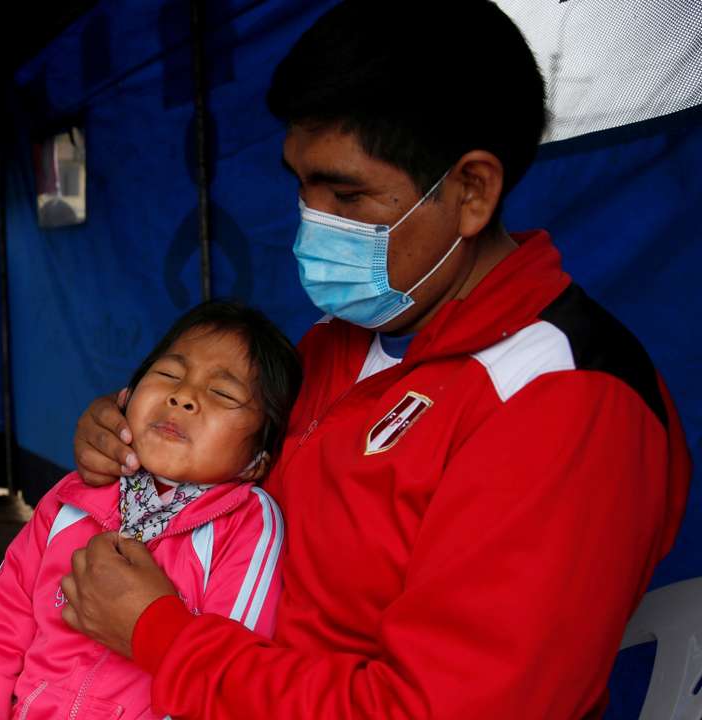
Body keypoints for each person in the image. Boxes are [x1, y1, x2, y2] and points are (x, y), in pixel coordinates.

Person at [65, 2, 692, 717]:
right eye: (302, 184)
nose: (312, 220)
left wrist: (162, 636)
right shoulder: (343, 339)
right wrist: (131, 436)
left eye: (348, 193)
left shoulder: (565, 404)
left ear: (472, 190)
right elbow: (232, 475)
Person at [0, 301, 301, 718]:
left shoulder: (246, 525)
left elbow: (219, 680)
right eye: (169, 374)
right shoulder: (71, 499)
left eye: (223, 393)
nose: (183, 396)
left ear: (259, 458)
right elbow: (0, 628)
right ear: (125, 399)